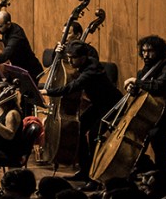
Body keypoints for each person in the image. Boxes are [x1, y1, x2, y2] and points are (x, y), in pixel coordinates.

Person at [43, 40, 121, 180]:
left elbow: (70, 88)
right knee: (79, 129)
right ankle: (85, 171)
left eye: (72, 58)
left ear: (83, 58)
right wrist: (58, 53)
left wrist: (48, 91)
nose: (69, 60)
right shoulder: (85, 62)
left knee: (94, 137)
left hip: (112, 106)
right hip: (99, 104)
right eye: (68, 57)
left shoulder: (91, 70)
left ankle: (95, 177)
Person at [124, 35, 166, 170]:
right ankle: (142, 167)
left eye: (150, 51)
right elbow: (140, 92)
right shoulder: (144, 71)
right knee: (134, 132)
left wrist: (136, 82)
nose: (146, 55)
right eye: (144, 51)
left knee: (154, 133)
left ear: (159, 51)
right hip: (151, 114)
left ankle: (161, 173)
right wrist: (132, 89)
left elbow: (158, 87)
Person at [0, 11, 40, 79]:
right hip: (19, 68)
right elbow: (4, 42)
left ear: (8, 24)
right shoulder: (6, 29)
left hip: (30, 70)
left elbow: (5, 55)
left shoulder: (16, 36)